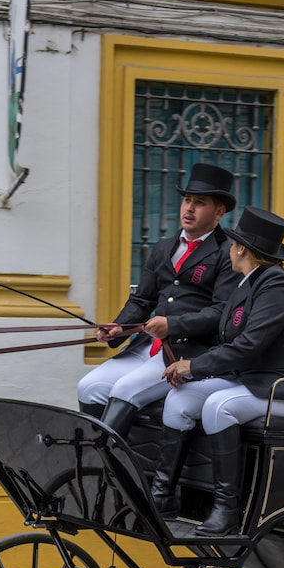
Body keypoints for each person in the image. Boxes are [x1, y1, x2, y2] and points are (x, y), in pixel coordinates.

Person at [159, 207, 284, 535]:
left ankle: (226, 509)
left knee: (218, 406)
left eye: (232, 243)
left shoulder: (274, 284)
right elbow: (230, 343)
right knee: (180, 399)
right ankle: (162, 495)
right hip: (254, 382)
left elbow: (249, 345)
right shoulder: (247, 284)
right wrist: (191, 372)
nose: (228, 248)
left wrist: (195, 365)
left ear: (241, 249)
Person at [79, 163, 236, 436]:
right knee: (89, 387)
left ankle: (114, 468)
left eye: (199, 203)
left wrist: (173, 325)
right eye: (187, 200)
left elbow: (221, 312)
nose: (189, 208)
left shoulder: (227, 253)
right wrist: (119, 328)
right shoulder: (163, 247)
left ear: (219, 212)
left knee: (125, 390)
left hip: (187, 352)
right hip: (147, 346)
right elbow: (142, 300)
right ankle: (102, 466)